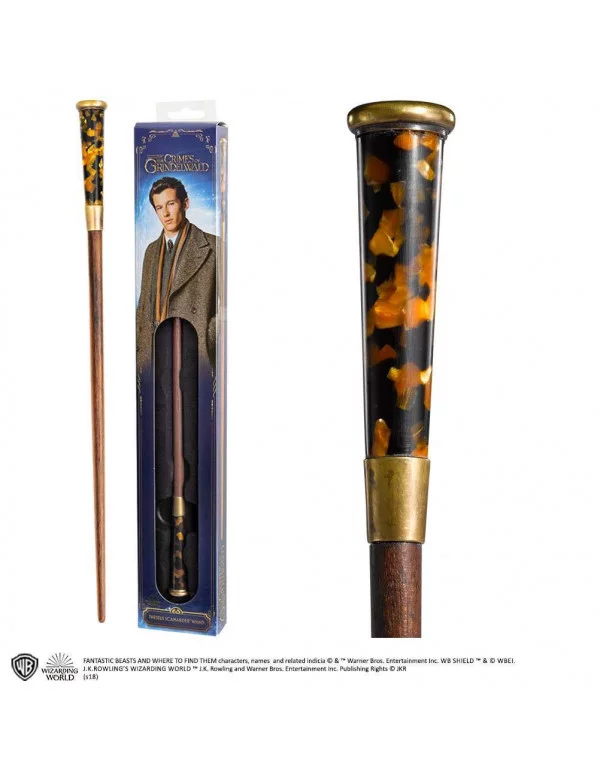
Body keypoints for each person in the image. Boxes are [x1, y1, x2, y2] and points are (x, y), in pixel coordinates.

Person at [136, 176, 216, 368]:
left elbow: (229, 308)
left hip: (194, 356)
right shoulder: (150, 251)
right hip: (152, 359)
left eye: (171, 204)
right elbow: (143, 307)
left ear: (185, 204)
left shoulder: (215, 247)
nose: (165, 213)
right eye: (159, 207)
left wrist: (207, 337)